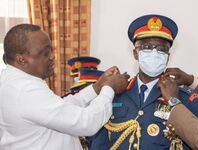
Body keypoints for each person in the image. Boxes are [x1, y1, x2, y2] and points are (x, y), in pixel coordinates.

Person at [0, 24, 129, 150]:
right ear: (21, 60)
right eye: (44, 53)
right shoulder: (26, 90)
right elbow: (87, 123)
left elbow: (60, 108)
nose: (52, 57)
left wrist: (97, 87)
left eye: (50, 50)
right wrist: (109, 88)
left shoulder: (12, 81)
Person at [89, 14, 198, 150]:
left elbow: (196, 143)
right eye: (146, 47)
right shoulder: (114, 93)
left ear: (168, 56)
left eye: (161, 49)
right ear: (135, 53)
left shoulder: (184, 97)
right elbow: (99, 143)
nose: (154, 53)